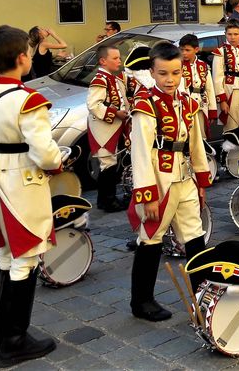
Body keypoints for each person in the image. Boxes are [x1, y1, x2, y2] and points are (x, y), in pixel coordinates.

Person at [0, 25, 65, 366]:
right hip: (22, 181)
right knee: (25, 256)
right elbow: (46, 154)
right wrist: (58, 159)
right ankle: (15, 339)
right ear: (22, 58)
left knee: (7, 254)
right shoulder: (28, 100)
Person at [127, 42, 213, 322]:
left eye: (175, 73)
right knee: (151, 236)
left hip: (184, 176)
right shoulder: (144, 105)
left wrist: (201, 179)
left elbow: (196, 143)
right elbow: (139, 152)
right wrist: (147, 194)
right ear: (152, 72)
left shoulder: (188, 102)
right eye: (163, 73)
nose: (170, 80)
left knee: (194, 234)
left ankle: (204, 292)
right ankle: (141, 301)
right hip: (159, 180)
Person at [87, 45, 131, 213]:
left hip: (113, 126)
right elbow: (94, 105)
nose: (119, 61)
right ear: (103, 61)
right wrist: (115, 113)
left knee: (112, 162)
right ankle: (108, 201)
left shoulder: (113, 77)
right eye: (115, 58)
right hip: (104, 128)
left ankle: (106, 199)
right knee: (107, 163)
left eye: (119, 58)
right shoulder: (100, 80)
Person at [178, 35, 217, 138]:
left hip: (201, 105)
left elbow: (209, 88)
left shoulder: (203, 65)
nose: (184, 53)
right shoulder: (178, 65)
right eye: (181, 50)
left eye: (187, 50)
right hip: (185, 106)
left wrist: (212, 110)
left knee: (201, 135)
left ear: (196, 49)